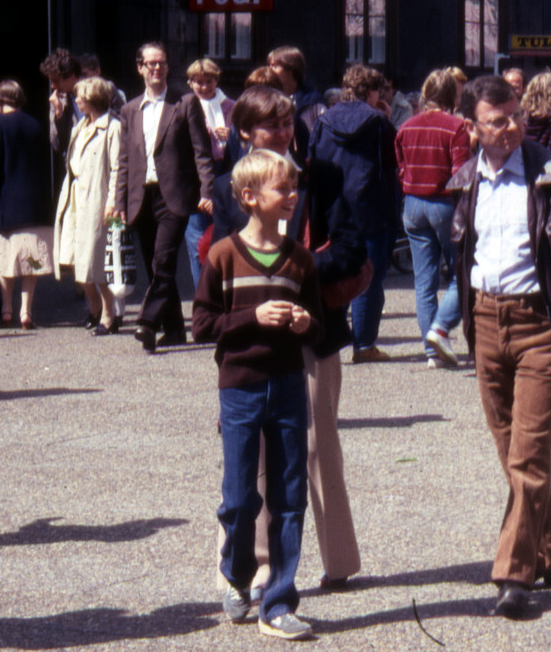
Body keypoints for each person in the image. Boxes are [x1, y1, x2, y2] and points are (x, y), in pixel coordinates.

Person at [450, 75, 551, 618]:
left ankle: (513, 577)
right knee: (512, 454)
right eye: (497, 121)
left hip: (541, 325)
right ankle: (549, 553)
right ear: (473, 127)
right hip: (486, 323)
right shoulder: (467, 180)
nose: (512, 127)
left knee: (528, 453)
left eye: (515, 115)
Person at [208, 84, 369, 595]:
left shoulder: (320, 176)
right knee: (252, 457)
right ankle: (256, 568)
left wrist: (296, 273)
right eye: (269, 125)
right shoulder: (227, 187)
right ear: (245, 134)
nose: (281, 132)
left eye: (286, 122)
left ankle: (339, 560)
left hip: (313, 329)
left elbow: (350, 247)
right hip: (253, 337)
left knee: (320, 447)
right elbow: (228, 257)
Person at [192, 149, 324, 641]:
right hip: (240, 387)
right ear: (249, 197)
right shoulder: (223, 254)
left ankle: (280, 600)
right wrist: (252, 317)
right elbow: (202, 324)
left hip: (289, 385)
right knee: (240, 496)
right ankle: (237, 573)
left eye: (294, 188)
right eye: (281, 189)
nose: (292, 196)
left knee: (290, 497)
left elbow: (319, 328)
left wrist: (307, 322)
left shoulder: (301, 259)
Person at [114, 43, 215, 353]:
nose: (156, 69)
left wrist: (207, 191)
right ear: (140, 68)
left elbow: (202, 152)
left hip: (175, 196)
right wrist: (119, 203)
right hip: (140, 197)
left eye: (161, 64)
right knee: (156, 263)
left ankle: (147, 322)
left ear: (168, 68)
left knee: (163, 260)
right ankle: (174, 329)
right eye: (150, 64)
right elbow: (124, 161)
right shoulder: (130, 109)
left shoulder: (185, 104)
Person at [310, 63, 401, 363]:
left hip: (333, 203)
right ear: (373, 91)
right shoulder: (377, 122)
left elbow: (313, 158)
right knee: (369, 276)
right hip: (371, 205)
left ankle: (332, 334)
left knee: (334, 269)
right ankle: (364, 344)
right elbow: (391, 166)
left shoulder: (324, 119)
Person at [397, 68, 472, 369]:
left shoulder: (406, 127)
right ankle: (441, 330)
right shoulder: (456, 127)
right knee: (461, 270)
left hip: (412, 205)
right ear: (452, 95)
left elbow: (400, 169)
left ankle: (432, 353)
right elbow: (461, 175)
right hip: (444, 204)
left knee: (423, 281)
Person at [0, 79, 55, 329]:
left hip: (7, 201)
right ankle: (26, 311)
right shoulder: (35, 124)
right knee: (31, 257)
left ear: (0, 100)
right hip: (36, 201)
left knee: (7, 256)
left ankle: (6, 309)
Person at [55, 77, 125, 334]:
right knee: (73, 257)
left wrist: (113, 204)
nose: (76, 100)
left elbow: (118, 168)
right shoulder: (80, 127)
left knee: (97, 261)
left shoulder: (114, 127)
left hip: (99, 200)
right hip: (76, 199)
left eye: (80, 96)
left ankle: (109, 314)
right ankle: (94, 307)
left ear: (93, 97)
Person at [184, 58, 235, 289]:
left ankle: (224, 292)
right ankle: (202, 295)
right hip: (195, 175)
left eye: (209, 81)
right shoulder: (185, 106)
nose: (204, 87)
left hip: (225, 172)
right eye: (198, 82)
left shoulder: (231, 107)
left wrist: (231, 135)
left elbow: (244, 139)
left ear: (217, 80)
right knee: (196, 239)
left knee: (225, 235)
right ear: (190, 83)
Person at [268, 45, 325, 139]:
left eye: (274, 66)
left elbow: (323, 135)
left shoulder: (313, 101)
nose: (269, 70)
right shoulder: (269, 98)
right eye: (269, 65)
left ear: (290, 69)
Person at [40, 47, 81, 164]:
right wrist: (59, 113)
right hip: (77, 167)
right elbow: (57, 145)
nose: (52, 86)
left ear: (71, 75)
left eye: (56, 81)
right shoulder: (57, 101)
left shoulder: (101, 91)